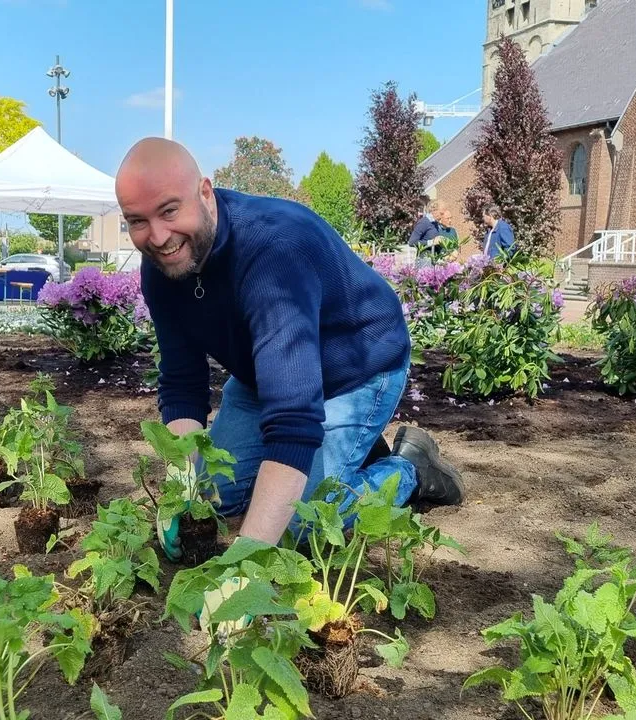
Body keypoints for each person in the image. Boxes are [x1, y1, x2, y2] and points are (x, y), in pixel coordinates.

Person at [114, 137, 464, 559]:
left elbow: (293, 420)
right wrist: (180, 492)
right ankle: (346, 452)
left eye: (169, 211)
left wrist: (248, 563)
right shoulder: (163, 268)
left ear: (205, 193)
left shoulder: (272, 252)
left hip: (357, 368)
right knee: (211, 498)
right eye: (137, 221)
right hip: (266, 377)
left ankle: (410, 468)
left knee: (300, 526)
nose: (158, 237)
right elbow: (182, 384)